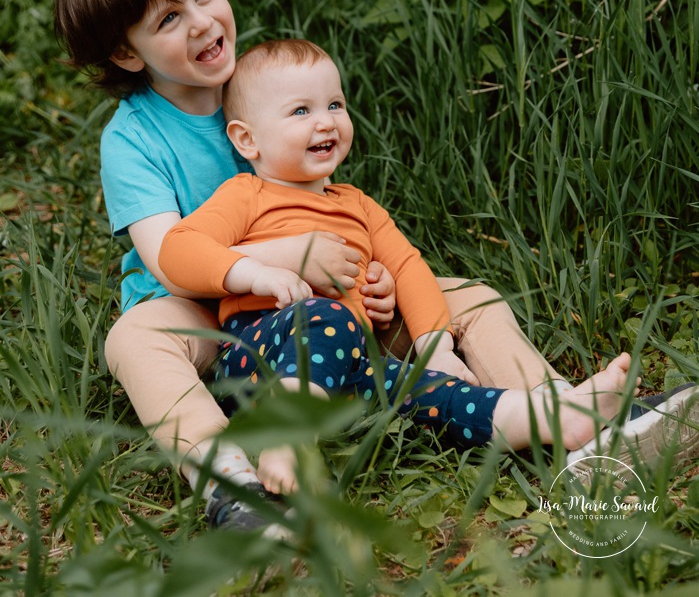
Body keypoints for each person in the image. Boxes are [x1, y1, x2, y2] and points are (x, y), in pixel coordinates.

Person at [53, 0, 696, 530]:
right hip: (198, 307)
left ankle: (574, 417)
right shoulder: (134, 139)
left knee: (467, 297)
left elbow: (334, 210)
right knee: (134, 338)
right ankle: (226, 479)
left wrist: (373, 274)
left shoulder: (266, 85)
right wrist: (286, 259)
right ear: (127, 53)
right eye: (169, 17)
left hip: (322, 302)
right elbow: (170, 256)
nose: (201, 21)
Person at [157, 39, 643, 493]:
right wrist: (255, 274)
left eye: (335, 105)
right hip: (259, 354)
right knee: (328, 317)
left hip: (350, 364)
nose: (325, 122)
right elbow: (179, 248)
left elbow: (410, 268)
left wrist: (436, 346)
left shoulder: (358, 206)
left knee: (438, 392)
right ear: (247, 140)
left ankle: (556, 418)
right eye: (301, 111)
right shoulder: (246, 195)